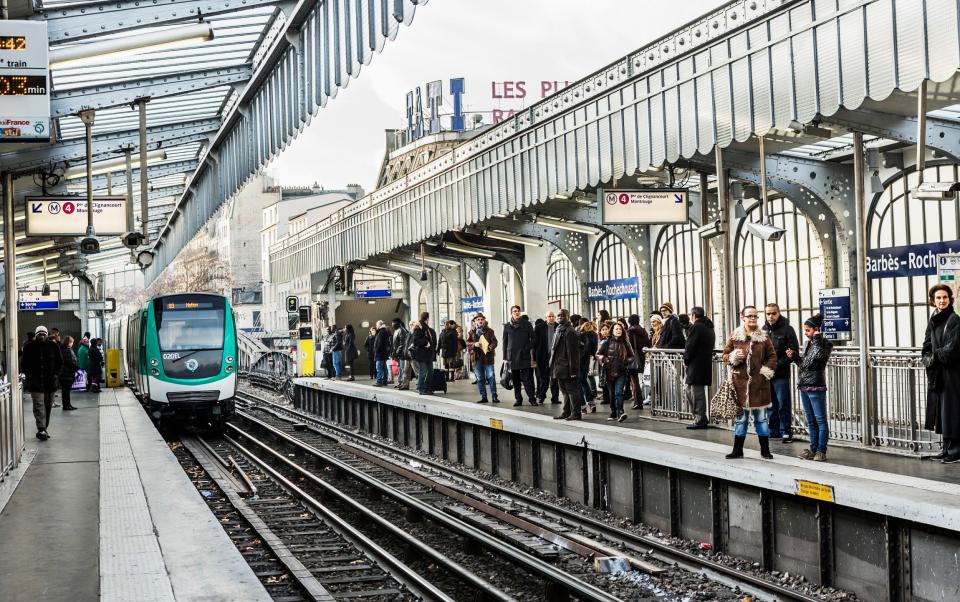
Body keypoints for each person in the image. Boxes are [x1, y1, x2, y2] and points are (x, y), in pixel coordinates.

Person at [721, 306, 778, 460]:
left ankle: (765, 450)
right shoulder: (735, 336)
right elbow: (724, 355)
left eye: (755, 316)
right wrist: (733, 356)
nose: (753, 318)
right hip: (739, 385)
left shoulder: (764, 337)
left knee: (761, 419)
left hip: (759, 385)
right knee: (741, 419)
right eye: (750, 316)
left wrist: (765, 372)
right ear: (743, 317)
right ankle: (737, 450)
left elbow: (772, 356)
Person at [921, 284, 960, 463]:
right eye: (938, 298)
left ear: (950, 299)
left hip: (952, 374)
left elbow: (953, 348)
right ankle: (946, 448)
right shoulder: (934, 318)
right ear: (933, 300)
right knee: (942, 412)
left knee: (951, 411)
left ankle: (955, 450)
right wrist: (927, 356)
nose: (942, 301)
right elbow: (927, 343)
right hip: (939, 373)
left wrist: (934, 356)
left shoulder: (954, 320)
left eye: (945, 297)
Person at [787, 313, 833, 462]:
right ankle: (813, 449)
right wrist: (794, 357)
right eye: (805, 330)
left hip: (816, 386)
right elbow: (804, 365)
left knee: (820, 420)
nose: (806, 333)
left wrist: (818, 338)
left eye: (808, 330)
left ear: (817, 329)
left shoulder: (825, 344)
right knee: (811, 420)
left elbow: (818, 358)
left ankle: (821, 450)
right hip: (804, 385)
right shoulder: (808, 344)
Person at [763, 303, 800, 443]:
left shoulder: (788, 330)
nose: (770, 316)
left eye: (773, 313)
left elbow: (793, 351)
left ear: (779, 313)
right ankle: (773, 431)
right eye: (768, 314)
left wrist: (776, 366)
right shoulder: (763, 330)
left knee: (783, 403)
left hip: (781, 374)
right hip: (766, 374)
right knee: (770, 404)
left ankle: (786, 431)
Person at [21, 326, 63, 440]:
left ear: (46, 335)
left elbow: (60, 363)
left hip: (50, 383)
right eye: (40, 334)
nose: (42, 336)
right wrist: (30, 376)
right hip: (36, 383)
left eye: (44, 334)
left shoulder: (53, 346)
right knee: (39, 406)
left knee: (47, 406)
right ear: (36, 335)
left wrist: (55, 375)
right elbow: (24, 364)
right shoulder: (29, 347)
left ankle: (44, 427)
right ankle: (41, 428)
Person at [683, 306, 715, 429]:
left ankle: (700, 419)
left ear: (693, 316)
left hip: (695, 364)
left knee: (695, 393)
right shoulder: (709, 327)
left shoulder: (697, 326)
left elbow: (690, 345)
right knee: (692, 391)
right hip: (704, 363)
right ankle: (700, 417)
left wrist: (686, 359)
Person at [596, 322, 635, 422]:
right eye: (616, 329)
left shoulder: (626, 342)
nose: (618, 331)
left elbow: (632, 356)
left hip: (621, 372)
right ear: (612, 331)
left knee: (619, 393)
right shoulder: (606, 342)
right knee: (612, 394)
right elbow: (598, 354)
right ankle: (613, 412)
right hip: (609, 372)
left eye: (620, 329)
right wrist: (604, 359)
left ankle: (620, 412)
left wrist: (626, 361)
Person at [551, 309, 583, 421]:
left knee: (571, 391)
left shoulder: (570, 332)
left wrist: (573, 371)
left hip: (567, 366)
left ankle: (576, 413)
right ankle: (566, 412)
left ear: (567, 317)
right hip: (559, 365)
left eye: (562, 315)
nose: (560, 317)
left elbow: (573, 353)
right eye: (558, 315)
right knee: (564, 391)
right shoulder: (559, 330)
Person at [502, 306, 538, 406]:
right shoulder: (507, 326)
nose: (517, 313)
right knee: (516, 380)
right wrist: (504, 356)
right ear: (511, 313)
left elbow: (534, 339)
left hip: (524, 355)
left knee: (527, 379)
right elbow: (505, 342)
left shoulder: (527, 324)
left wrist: (527, 348)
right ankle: (518, 399)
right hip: (511, 357)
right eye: (515, 311)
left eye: (518, 311)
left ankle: (532, 399)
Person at [467, 313, 499, 403]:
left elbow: (495, 342)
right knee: (480, 378)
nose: (480, 321)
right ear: (475, 321)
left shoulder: (490, 331)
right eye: (478, 319)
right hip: (477, 358)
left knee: (491, 377)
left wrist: (490, 347)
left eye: (482, 319)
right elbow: (467, 343)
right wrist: (474, 344)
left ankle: (494, 396)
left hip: (488, 357)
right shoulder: (471, 332)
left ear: (484, 320)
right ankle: (484, 397)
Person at [534, 311, 560, 404]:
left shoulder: (559, 327)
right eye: (549, 316)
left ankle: (555, 398)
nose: (552, 318)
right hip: (542, 357)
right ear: (546, 317)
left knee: (555, 379)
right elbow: (534, 344)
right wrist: (534, 358)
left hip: (555, 357)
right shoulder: (539, 328)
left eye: (553, 316)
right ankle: (541, 396)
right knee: (543, 379)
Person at [626, 314, 651, 410]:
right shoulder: (643, 331)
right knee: (637, 380)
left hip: (633, 358)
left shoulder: (630, 331)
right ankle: (639, 401)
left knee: (634, 381)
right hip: (641, 357)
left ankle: (638, 402)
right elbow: (648, 343)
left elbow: (629, 345)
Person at [411, 312, 437, 395]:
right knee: (424, 372)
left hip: (428, 354)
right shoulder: (419, 328)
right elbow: (415, 341)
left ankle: (427, 388)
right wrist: (426, 342)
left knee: (430, 371)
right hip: (422, 354)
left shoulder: (426, 328)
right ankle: (421, 389)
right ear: (427, 319)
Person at [577, 321, 598, 412]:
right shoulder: (594, 335)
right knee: (584, 381)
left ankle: (583, 406)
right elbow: (594, 350)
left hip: (577, 361)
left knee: (578, 383)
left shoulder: (579, 334)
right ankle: (591, 403)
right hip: (586, 361)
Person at [59, 336, 79, 411]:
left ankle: (68, 405)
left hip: (66, 373)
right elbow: (68, 362)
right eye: (72, 342)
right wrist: (76, 367)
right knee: (66, 391)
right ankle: (66, 405)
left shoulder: (65, 349)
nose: (72, 344)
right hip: (66, 373)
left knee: (66, 391)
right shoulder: (66, 350)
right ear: (68, 342)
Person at [399, 320, 420, 390]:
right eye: (410, 324)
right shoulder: (409, 334)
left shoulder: (416, 333)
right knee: (406, 371)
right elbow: (406, 344)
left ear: (415, 325)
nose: (410, 326)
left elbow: (415, 343)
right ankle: (405, 385)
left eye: (412, 324)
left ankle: (419, 385)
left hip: (413, 355)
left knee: (417, 371)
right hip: (407, 355)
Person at [372, 321, 392, 386]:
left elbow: (380, 343)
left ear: (380, 325)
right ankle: (384, 381)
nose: (376, 326)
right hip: (383, 353)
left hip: (380, 354)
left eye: (377, 325)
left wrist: (376, 350)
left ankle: (379, 381)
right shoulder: (384, 331)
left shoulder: (381, 332)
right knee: (383, 367)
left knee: (379, 368)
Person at [391, 319, 409, 388]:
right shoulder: (396, 330)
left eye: (393, 323)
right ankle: (400, 382)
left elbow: (402, 343)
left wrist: (397, 352)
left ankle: (402, 382)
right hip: (398, 353)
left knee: (402, 368)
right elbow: (395, 343)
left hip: (402, 353)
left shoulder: (401, 330)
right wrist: (394, 352)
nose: (392, 324)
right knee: (399, 368)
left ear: (397, 323)